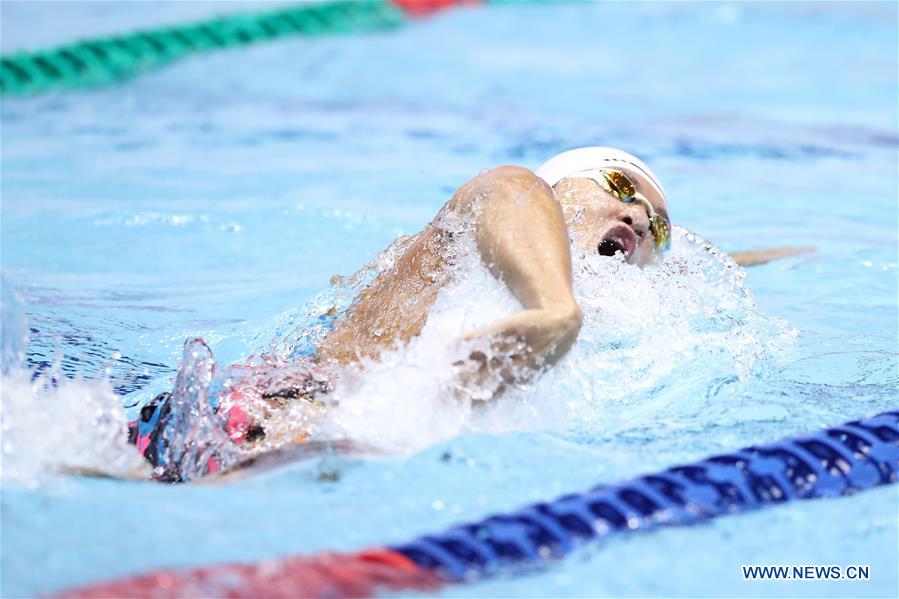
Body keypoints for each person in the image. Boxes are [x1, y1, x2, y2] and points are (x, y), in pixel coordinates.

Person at [129, 147, 811, 480]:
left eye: (655, 227)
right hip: (253, 424)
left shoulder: (605, 303)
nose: (636, 212)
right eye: (615, 184)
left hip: (280, 464)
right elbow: (507, 188)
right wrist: (551, 312)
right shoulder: (492, 222)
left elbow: (691, 255)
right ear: (557, 188)